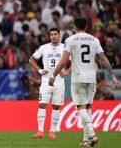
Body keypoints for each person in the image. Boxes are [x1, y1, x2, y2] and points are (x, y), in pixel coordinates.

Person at [49, 17, 119, 147]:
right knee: (87, 108)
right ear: (86, 27)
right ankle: (86, 140)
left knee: (81, 108)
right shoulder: (94, 40)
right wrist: (112, 76)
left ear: (75, 27)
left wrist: (53, 75)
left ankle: (92, 134)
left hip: (79, 79)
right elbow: (104, 60)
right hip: (91, 78)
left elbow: (64, 61)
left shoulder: (70, 40)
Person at [29, 28, 70, 139]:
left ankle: (52, 131)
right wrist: (39, 70)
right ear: (49, 36)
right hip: (46, 80)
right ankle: (40, 131)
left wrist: (67, 71)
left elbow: (75, 61)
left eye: (55, 34)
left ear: (59, 35)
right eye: (51, 34)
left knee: (56, 107)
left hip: (59, 81)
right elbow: (31, 59)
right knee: (42, 105)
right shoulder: (44, 48)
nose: (53, 36)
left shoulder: (65, 48)